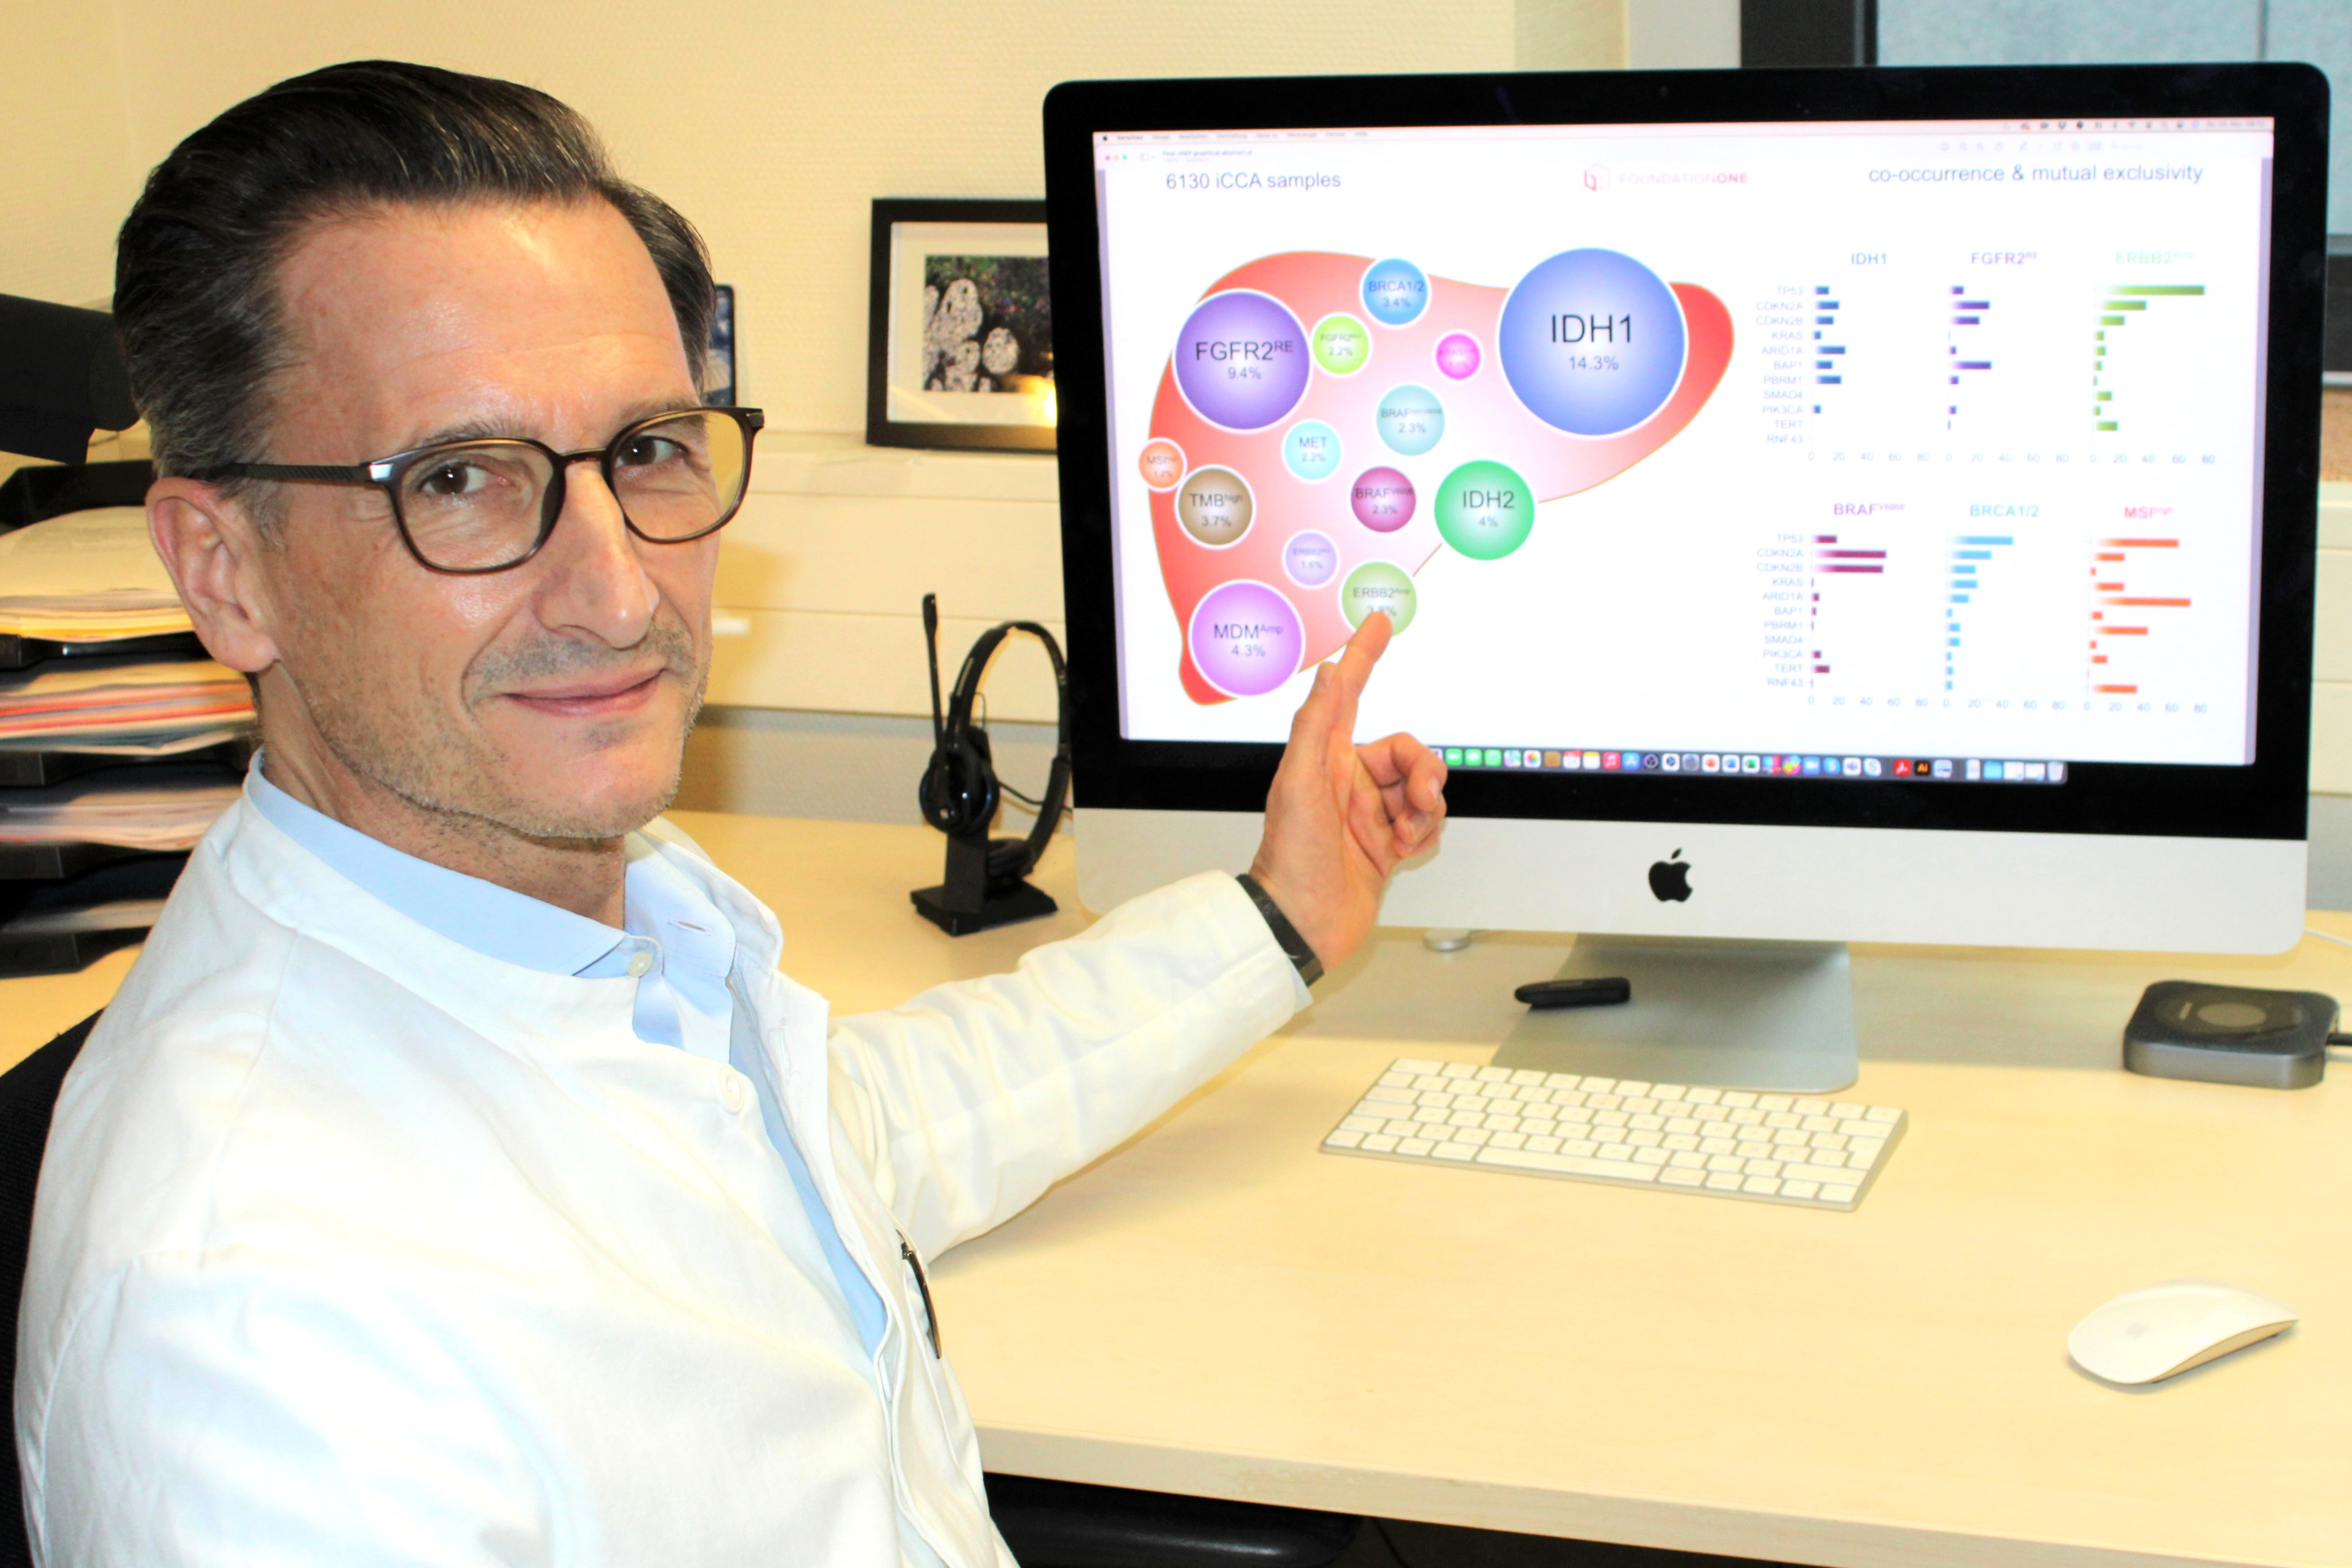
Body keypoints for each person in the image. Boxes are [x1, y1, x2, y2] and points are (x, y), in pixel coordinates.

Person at [12, 61, 1446, 1568]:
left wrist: (1277, 916)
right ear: (223, 568)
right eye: (462, 480)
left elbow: (852, 1124)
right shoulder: (263, 1351)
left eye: (644, 449)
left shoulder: (566, 891)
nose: (620, 589)